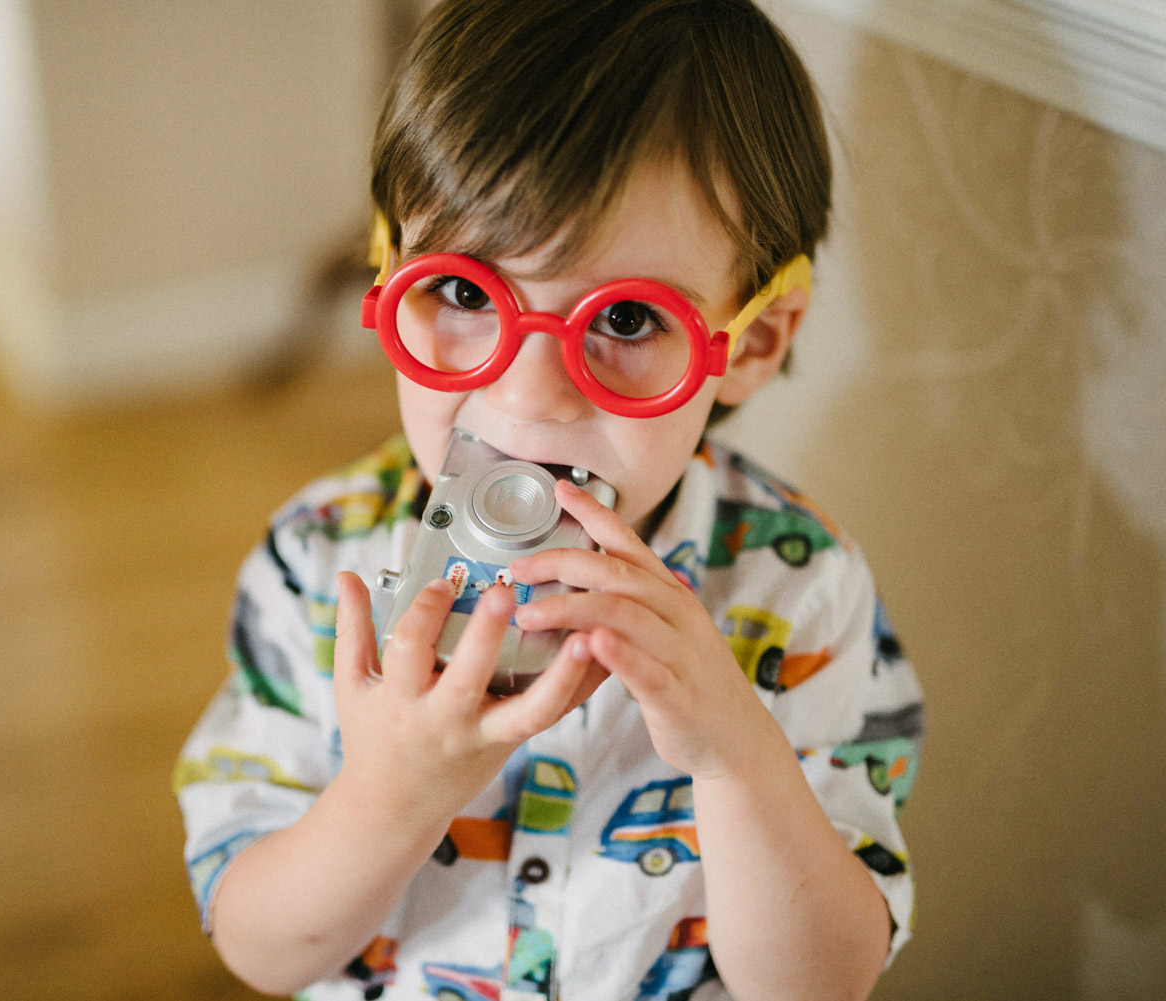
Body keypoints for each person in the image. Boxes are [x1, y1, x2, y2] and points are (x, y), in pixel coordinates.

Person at [174, 1, 924, 999]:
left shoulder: (802, 586)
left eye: (622, 317)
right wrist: (393, 789)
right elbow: (259, 947)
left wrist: (736, 752)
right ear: (390, 277)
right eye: (465, 294)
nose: (526, 393)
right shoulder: (319, 563)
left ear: (749, 341)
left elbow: (821, 983)